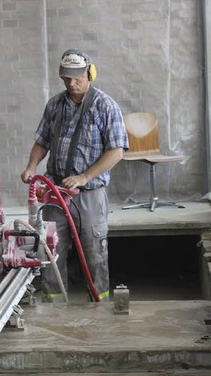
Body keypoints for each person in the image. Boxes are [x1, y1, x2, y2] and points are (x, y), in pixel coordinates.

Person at [21, 48, 129, 302]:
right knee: (51, 249)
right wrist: (31, 167)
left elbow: (117, 151)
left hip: (89, 195)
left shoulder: (105, 106)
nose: (72, 83)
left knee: (94, 251)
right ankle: (54, 304)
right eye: (67, 78)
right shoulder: (55, 105)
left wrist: (84, 177)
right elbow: (42, 141)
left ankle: (99, 302)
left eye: (77, 77)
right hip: (55, 193)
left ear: (90, 73)